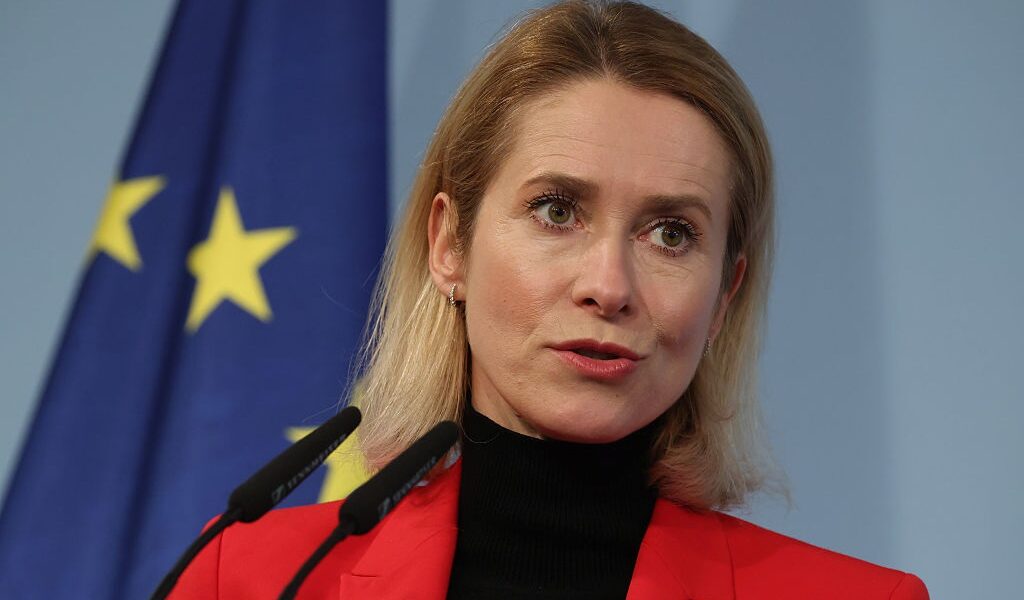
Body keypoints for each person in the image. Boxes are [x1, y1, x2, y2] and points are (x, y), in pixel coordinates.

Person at [173, 1, 928, 598]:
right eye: (557, 211)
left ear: (724, 295)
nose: (608, 287)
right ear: (450, 244)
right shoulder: (248, 579)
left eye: (671, 234)